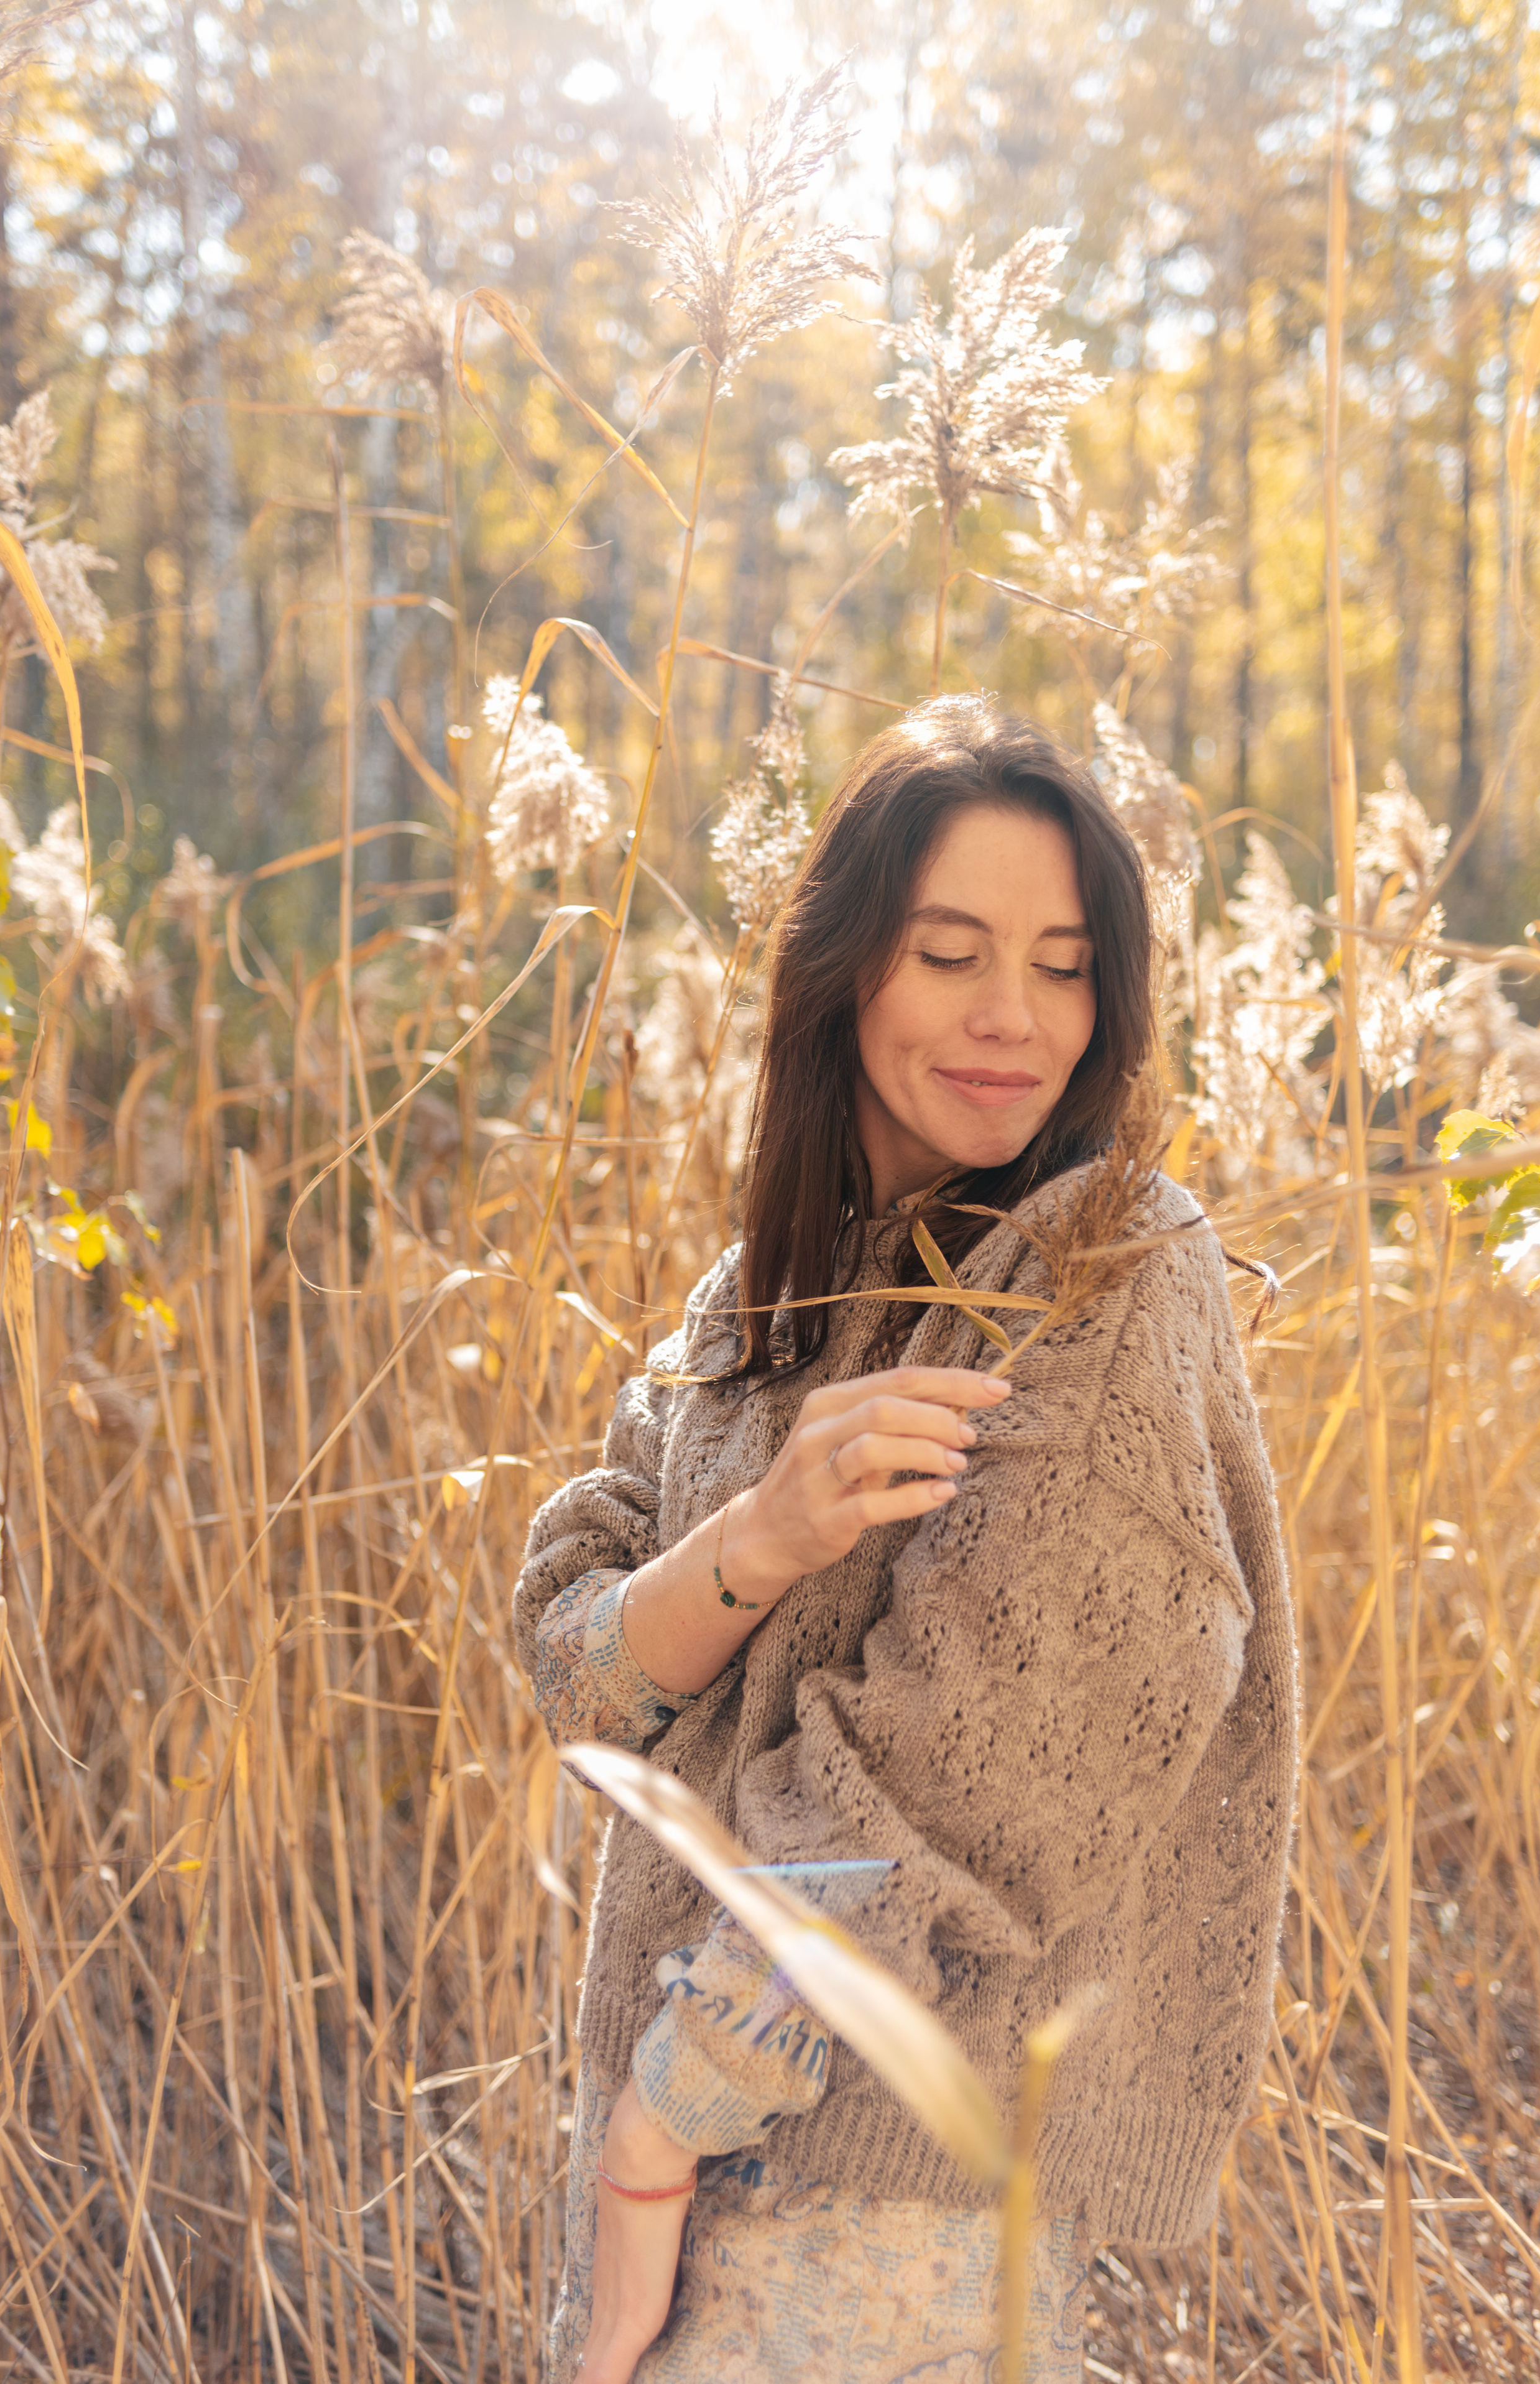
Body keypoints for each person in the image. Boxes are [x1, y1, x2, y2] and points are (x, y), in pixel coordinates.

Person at [514, 695, 1297, 2384]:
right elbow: (583, 1678)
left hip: (880, 2220)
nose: (1016, 1016)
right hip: (673, 2161)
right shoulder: (755, 1306)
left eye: (1066, 962)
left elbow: (971, 1758)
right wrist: (770, 1528)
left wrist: (666, 2120)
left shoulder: (1106, 1266)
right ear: (845, 964)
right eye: (950, 952)